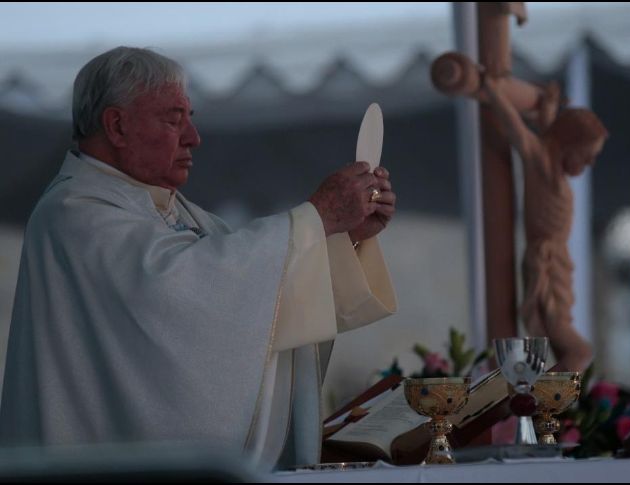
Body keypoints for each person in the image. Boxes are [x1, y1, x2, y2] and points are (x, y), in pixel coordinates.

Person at [0, 46, 398, 470]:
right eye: (174, 120)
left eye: (190, 118)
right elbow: (184, 291)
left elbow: (262, 280)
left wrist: (339, 235)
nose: (193, 137)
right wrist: (317, 217)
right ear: (117, 125)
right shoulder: (72, 214)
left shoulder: (169, 208)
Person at [482, 75, 608, 372]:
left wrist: (548, 109)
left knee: (564, 347)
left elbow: (550, 134)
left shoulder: (554, 167)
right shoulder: (540, 161)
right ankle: (539, 402)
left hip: (557, 261)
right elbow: (518, 131)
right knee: (579, 351)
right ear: (569, 146)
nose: (589, 164)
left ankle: (542, 402)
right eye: (587, 155)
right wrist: (491, 90)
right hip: (545, 263)